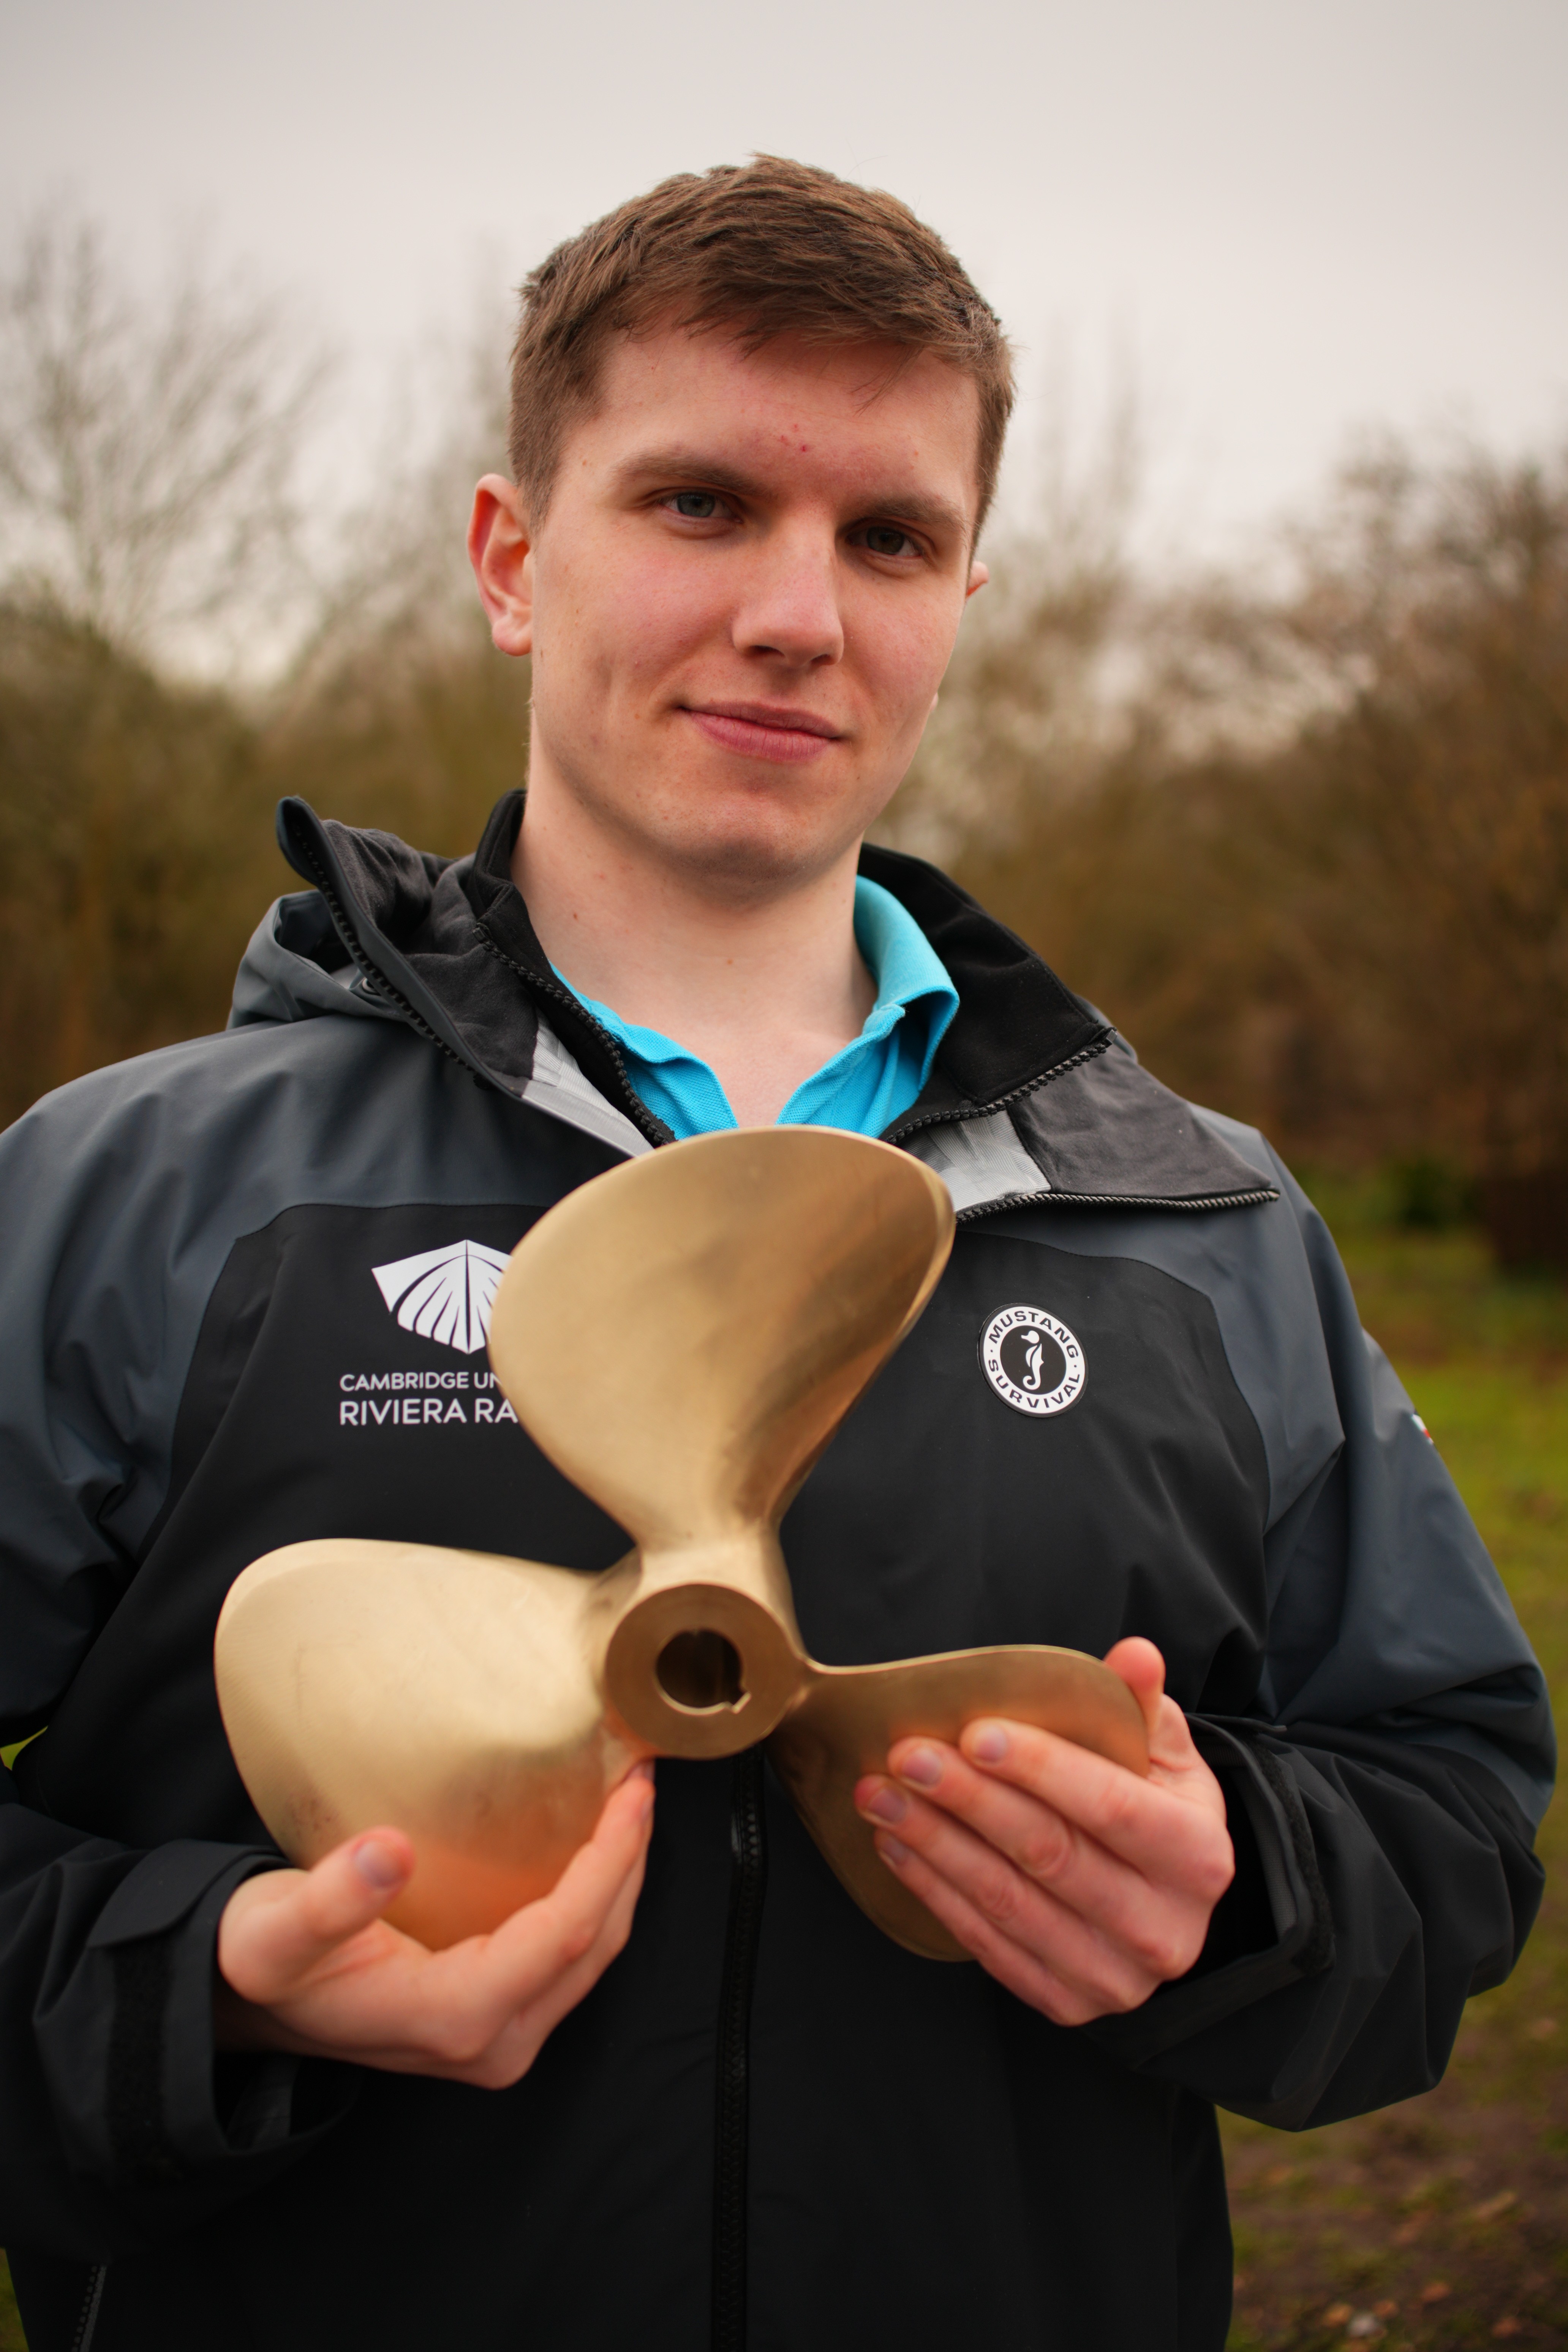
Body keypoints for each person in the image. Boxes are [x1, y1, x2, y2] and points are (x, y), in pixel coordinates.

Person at [0, 157, 1551, 2352]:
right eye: (702, 504)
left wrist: (1245, 1890)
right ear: (513, 557)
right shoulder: (126, 1201)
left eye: (889, 536)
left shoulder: (1203, 1227)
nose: (800, 613)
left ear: (963, 592)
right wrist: (205, 1995)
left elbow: (1455, 1808)